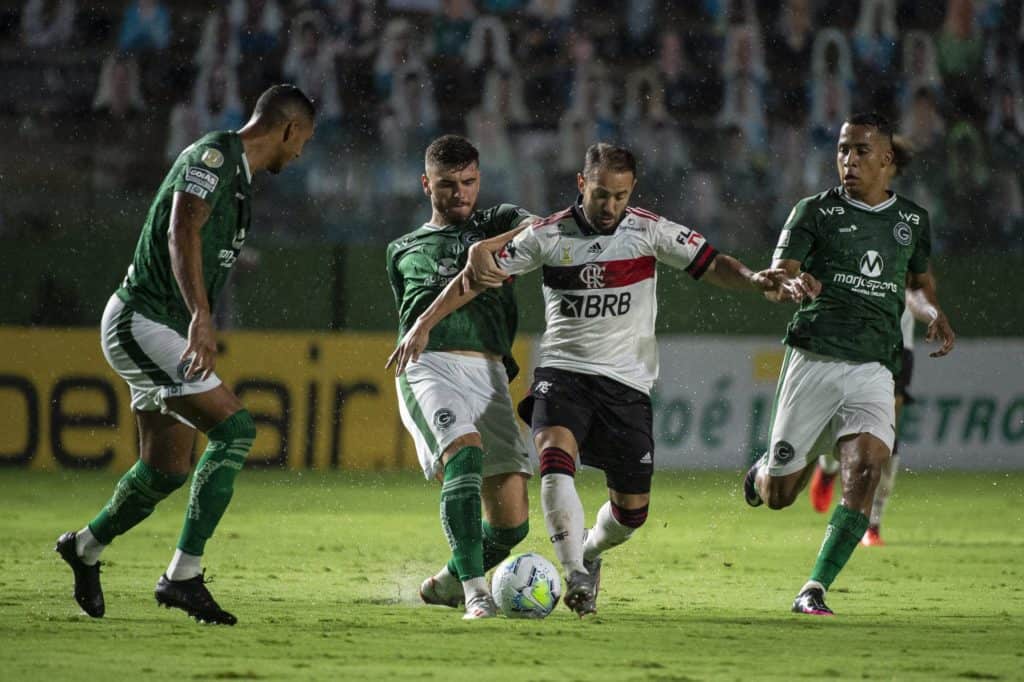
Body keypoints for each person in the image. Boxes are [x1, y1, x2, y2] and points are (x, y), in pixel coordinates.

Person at [389, 143, 811, 618]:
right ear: (580, 185)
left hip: (626, 386)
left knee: (632, 513)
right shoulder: (551, 235)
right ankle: (571, 576)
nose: (610, 206)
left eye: (619, 196)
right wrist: (424, 322)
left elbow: (712, 263)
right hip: (562, 374)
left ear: (631, 192)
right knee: (552, 459)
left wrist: (755, 279)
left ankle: (588, 551)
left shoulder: (649, 230)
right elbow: (476, 277)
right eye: (600, 194)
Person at [55, 84, 316, 625]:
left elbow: (195, 237)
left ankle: (84, 548)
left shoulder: (240, 184)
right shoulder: (215, 155)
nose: (301, 153)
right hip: (143, 320)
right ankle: (182, 576)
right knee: (237, 430)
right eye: (304, 140)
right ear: (289, 129)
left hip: (160, 326)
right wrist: (202, 311)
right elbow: (182, 226)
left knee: (167, 469)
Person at [743, 113, 955, 616]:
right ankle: (761, 475)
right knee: (779, 496)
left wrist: (932, 313)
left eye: (860, 151)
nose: (848, 160)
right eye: (842, 150)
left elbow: (916, 289)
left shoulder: (912, 221)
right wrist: (788, 284)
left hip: (874, 367)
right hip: (815, 359)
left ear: (886, 160)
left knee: (865, 470)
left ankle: (813, 588)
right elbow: (779, 275)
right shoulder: (812, 212)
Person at [384, 135, 539, 620]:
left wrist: (484, 249)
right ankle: (476, 591)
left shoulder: (496, 221)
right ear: (425, 184)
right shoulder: (402, 249)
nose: (460, 194)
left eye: (469, 182)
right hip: (429, 364)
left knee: (512, 525)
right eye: (448, 184)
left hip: (491, 372)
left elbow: (543, 229)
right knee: (463, 451)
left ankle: (447, 581)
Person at [808, 306, 916, 546]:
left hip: (893, 352)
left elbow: (922, 286)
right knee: (841, 427)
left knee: (888, 435)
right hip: (849, 349)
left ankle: (872, 524)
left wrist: (931, 311)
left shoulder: (903, 293)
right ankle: (827, 468)